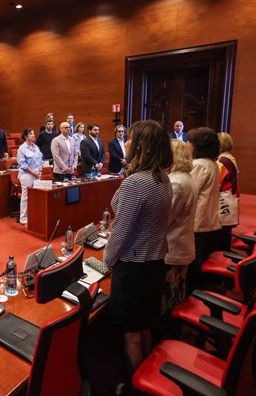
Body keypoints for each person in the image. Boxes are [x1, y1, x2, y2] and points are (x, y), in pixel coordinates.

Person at [104, 119, 173, 375]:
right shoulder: (161, 178)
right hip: (154, 264)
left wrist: (107, 261)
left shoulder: (136, 183)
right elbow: (118, 204)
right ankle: (150, 378)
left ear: (142, 145)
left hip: (133, 268)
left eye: (131, 137)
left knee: (131, 333)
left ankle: (137, 384)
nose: (127, 142)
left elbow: (120, 232)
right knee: (144, 326)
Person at [161, 140, 198, 326]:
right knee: (177, 295)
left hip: (173, 249)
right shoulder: (187, 177)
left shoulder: (175, 182)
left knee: (169, 302)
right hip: (182, 244)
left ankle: (166, 343)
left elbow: (163, 220)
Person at [187, 126, 222, 292]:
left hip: (198, 221)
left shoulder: (199, 165)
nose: (187, 144)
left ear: (197, 146)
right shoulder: (212, 163)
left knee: (194, 262)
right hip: (208, 219)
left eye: (189, 142)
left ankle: (193, 295)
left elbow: (189, 191)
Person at [217, 132, 240, 246]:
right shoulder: (230, 157)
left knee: (222, 235)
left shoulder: (222, 161)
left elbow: (217, 183)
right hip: (230, 197)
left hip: (224, 200)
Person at [16, 128, 43, 225]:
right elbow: (23, 165)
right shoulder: (22, 148)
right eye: (31, 133)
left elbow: (40, 160)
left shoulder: (36, 147)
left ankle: (34, 216)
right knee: (26, 197)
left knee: (37, 196)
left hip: (37, 174)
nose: (33, 135)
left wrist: (39, 171)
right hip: (27, 175)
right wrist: (34, 173)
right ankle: (23, 219)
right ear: (26, 136)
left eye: (33, 133)